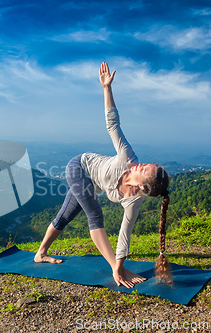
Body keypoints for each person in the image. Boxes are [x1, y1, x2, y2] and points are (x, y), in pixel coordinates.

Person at [34, 62, 172, 288]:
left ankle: (40, 254)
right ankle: (45, 253)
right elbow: (112, 124)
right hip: (79, 166)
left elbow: (124, 235)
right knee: (95, 215)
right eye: (145, 164)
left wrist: (121, 265)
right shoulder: (128, 157)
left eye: (143, 170)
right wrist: (107, 88)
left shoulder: (133, 202)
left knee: (65, 215)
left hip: (91, 183)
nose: (139, 165)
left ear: (142, 189)